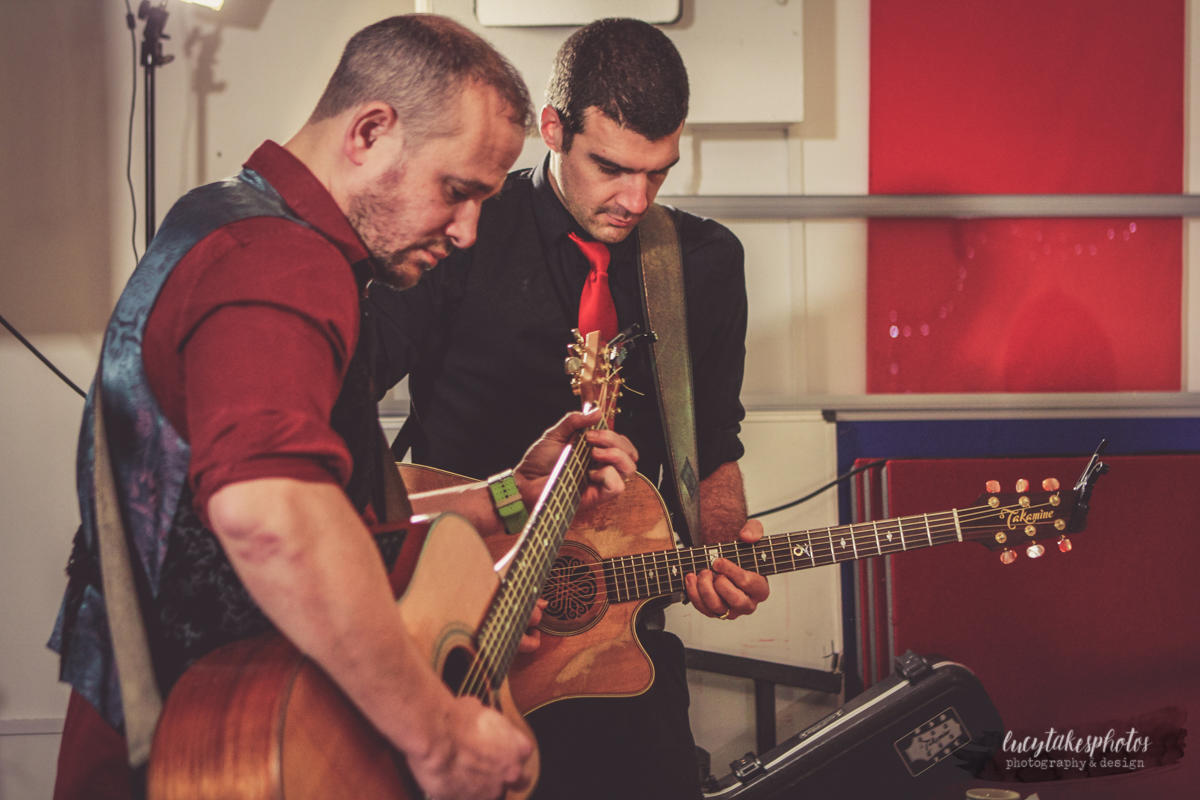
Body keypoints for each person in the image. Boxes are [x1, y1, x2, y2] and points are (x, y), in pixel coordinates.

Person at [47, 15, 637, 800]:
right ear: (369, 133)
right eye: (456, 191)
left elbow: (325, 512)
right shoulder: (279, 264)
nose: (467, 231)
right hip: (222, 745)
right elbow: (271, 518)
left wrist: (505, 495)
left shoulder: (227, 221)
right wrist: (438, 736)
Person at [367, 17, 770, 800]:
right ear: (553, 129)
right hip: (460, 633)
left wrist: (721, 548)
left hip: (616, 641)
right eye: (611, 168)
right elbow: (340, 402)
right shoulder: (463, 231)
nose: (635, 199)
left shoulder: (702, 263)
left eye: (657, 173)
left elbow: (714, 443)